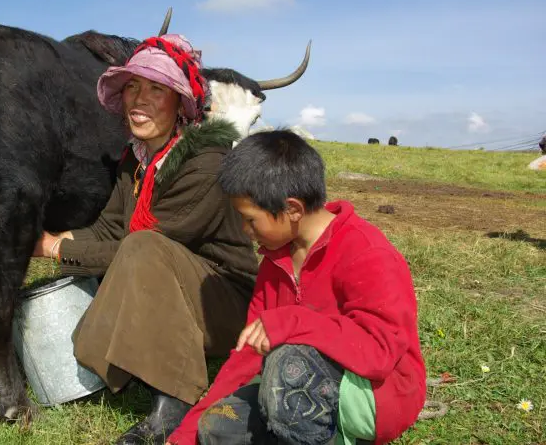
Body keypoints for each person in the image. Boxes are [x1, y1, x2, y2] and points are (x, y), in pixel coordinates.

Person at [32, 33, 259, 444]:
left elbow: (140, 244)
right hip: (172, 287)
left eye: (157, 89)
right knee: (136, 256)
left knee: (144, 247)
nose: (139, 99)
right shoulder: (135, 161)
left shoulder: (206, 164)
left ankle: (174, 403)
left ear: (182, 104)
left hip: (223, 301)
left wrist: (57, 249)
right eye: (133, 86)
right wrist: (48, 237)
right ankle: (130, 361)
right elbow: (107, 230)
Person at [166, 130, 426, 445]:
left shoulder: (368, 251)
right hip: (304, 387)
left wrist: (292, 322)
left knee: (288, 365)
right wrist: (183, 437)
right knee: (218, 427)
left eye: (250, 220)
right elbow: (247, 355)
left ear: (292, 210)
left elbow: (379, 353)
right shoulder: (275, 262)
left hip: (377, 394)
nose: (246, 231)